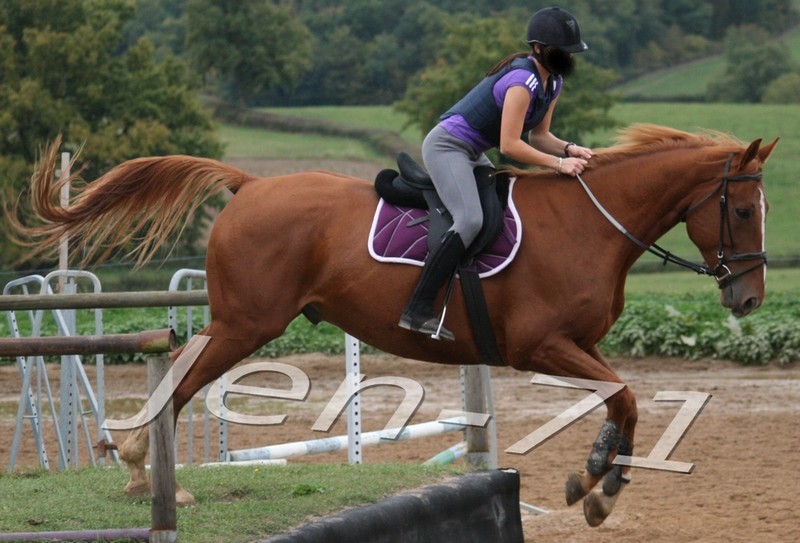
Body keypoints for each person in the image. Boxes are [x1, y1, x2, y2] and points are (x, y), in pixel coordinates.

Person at [398, 6, 594, 341]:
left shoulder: (553, 83)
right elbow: (510, 145)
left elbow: (539, 136)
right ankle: (416, 309)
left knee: (503, 209)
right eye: (561, 52)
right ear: (537, 48)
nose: (567, 57)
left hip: (472, 152)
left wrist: (568, 148)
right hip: (448, 148)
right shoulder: (521, 81)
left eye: (570, 52)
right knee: (470, 220)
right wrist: (558, 165)